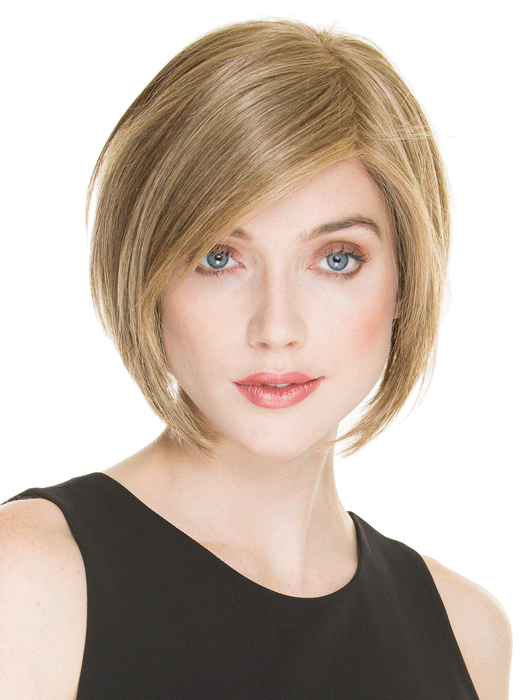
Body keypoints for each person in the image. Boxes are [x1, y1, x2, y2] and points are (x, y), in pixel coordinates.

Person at [0, 19, 512, 700]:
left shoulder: (467, 631)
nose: (276, 327)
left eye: (336, 259)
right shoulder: (27, 581)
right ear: (147, 275)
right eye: (219, 258)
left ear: (404, 282)